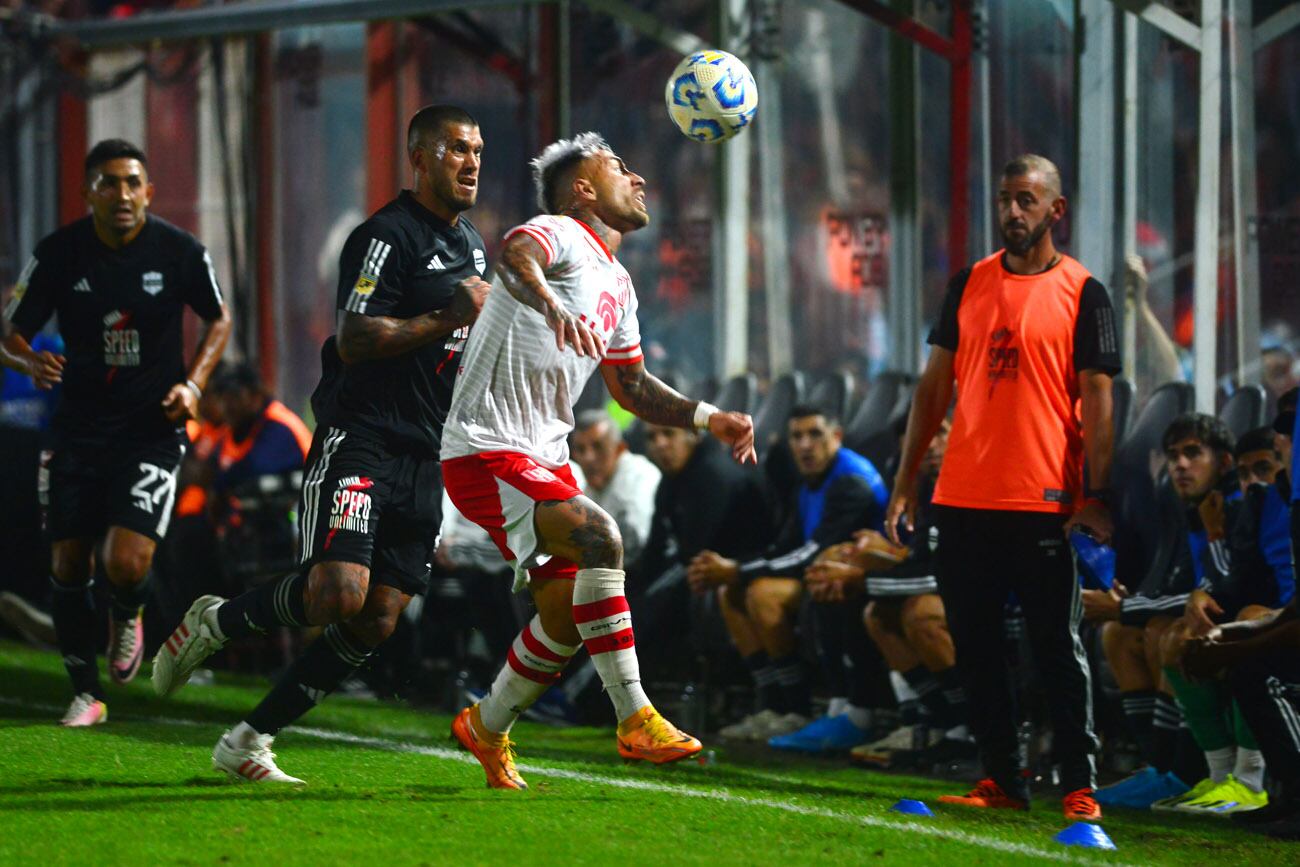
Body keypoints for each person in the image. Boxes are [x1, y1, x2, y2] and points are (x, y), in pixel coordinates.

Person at [150, 105, 491, 784]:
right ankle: (217, 620)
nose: (472, 160)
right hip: (360, 436)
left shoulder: (475, 247)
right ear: (419, 157)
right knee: (338, 592)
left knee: (379, 619)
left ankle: (248, 738)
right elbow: (356, 337)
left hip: (426, 454)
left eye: (479, 149)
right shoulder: (383, 237)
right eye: (456, 148)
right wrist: (446, 314)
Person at [438, 131, 755, 790]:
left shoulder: (618, 281)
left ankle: (486, 724)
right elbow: (514, 253)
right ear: (583, 189)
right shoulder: (553, 230)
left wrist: (706, 416)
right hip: (485, 443)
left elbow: (631, 387)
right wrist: (552, 305)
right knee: (599, 535)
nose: (637, 179)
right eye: (620, 168)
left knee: (563, 616)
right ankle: (635, 716)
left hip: (542, 456)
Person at [885, 154, 1119, 821]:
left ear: (1056, 209)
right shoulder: (968, 283)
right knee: (977, 646)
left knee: (1054, 648)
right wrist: (906, 482)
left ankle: (1080, 781)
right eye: (1004, 199)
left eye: (1026, 199)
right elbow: (934, 387)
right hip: (962, 497)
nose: (1012, 212)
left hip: (1043, 502)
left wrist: (1096, 493)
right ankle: (1001, 778)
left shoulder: (1085, 292)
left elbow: (1100, 404)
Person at [0, 139, 231, 726]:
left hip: (150, 429)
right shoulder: (58, 254)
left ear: (149, 192)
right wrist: (29, 363)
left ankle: (127, 613)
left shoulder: (179, 252)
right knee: (69, 565)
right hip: (75, 429)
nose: (122, 194)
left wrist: (195, 387)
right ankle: (85, 692)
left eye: (132, 183)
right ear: (88, 193)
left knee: (125, 562)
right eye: (108, 182)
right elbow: (10, 330)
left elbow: (219, 318)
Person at [689, 405, 888, 750]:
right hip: (820, 577)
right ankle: (774, 705)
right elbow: (783, 547)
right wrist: (727, 569)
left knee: (762, 593)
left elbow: (810, 553)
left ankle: (805, 708)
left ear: (837, 437)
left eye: (815, 434)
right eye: (797, 436)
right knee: (730, 593)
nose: (805, 445)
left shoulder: (850, 481)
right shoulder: (808, 483)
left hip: (862, 582)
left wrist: (736, 569)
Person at [1150, 415, 1293, 816]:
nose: (1253, 481)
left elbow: (1252, 587)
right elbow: (1225, 581)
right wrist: (1201, 595)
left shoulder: (1264, 507)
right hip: (1279, 618)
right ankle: (1216, 776)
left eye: (1263, 468)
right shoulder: (1236, 509)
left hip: (1284, 621)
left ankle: (1250, 779)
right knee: (1179, 634)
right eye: (1247, 473)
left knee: (1244, 623)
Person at [569, 409, 661, 572]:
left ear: (619, 449)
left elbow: (636, 545)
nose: (588, 458)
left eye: (598, 447)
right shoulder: (588, 488)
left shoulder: (639, 477)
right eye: (581, 450)